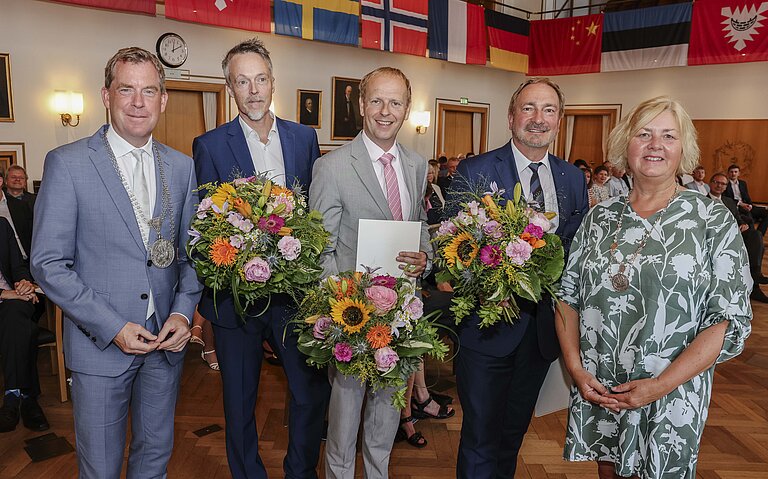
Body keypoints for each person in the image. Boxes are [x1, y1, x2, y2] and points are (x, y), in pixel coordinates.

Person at [555, 96, 752, 479]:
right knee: (608, 468)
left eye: (668, 136)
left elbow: (725, 320)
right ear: (625, 144)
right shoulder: (600, 217)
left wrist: (659, 386)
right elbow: (567, 297)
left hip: (673, 389)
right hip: (603, 384)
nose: (655, 145)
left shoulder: (711, 219)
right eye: (643, 134)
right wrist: (576, 369)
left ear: (683, 149)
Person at [30, 47, 202, 479]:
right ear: (106, 96)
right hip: (100, 348)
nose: (138, 102)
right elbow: (48, 264)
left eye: (149, 91)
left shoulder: (181, 168)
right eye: (126, 89)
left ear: (164, 99)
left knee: (154, 462)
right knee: (101, 469)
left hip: (165, 347)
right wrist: (113, 327)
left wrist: (183, 314)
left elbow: (191, 254)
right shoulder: (67, 164)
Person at [192, 38, 328, 479]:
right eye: (242, 81)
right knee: (240, 400)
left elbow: (313, 213)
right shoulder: (210, 145)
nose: (253, 90)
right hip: (236, 301)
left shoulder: (304, 138)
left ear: (273, 82)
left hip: (294, 297)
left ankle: (300, 471)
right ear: (230, 87)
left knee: (309, 395)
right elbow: (206, 223)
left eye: (261, 79)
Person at [448, 77, 588, 479]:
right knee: (479, 437)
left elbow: (573, 254)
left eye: (548, 110)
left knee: (512, 436)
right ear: (511, 117)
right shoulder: (475, 170)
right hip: (486, 330)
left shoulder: (573, 179)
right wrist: (491, 284)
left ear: (559, 121)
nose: (538, 119)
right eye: (528, 108)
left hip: (541, 334)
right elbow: (451, 247)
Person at [309, 66, 432, 479]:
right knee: (343, 426)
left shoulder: (416, 165)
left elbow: (420, 227)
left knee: (385, 420)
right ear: (361, 105)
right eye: (376, 100)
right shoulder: (333, 166)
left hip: (402, 320)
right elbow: (321, 249)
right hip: (353, 321)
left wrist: (425, 258)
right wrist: (340, 314)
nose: (385, 111)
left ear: (407, 108)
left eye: (395, 102)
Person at [0, 217, 47, 433]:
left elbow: (18, 265)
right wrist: (5, 294)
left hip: (14, 302)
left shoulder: (2, 225)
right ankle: (28, 397)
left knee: (17, 316)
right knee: (26, 328)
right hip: (5, 296)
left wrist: (23, 284)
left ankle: (12, 397)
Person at [708, 172, 768, 302]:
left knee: (755, 236)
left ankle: (755, 274)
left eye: (723, 184)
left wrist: (742, 224)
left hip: (735, 232)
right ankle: (754, 284)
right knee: (753, 246)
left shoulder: (729, 201)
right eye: (717, 182)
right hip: (717, 235)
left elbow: (738, 218)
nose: (719, 186)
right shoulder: (702, 201)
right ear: (710, 183)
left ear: (725, 187)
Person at [724, 163, 768, 236]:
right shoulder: (725, 184)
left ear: (739, 173)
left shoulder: (742, 183)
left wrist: (750, 205)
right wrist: (741, 204)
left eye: (735, 172)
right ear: (728, 173)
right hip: (736, 207)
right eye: (731, 172)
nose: (733, 174)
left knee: (766, 213)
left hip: (746, 206)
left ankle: (759, 234)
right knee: (748, 217)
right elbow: (727, 199)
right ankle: (753, 236)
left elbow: (747, 197)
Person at [0, 169, 32, 260]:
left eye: (21, 178)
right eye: (13, 177)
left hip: (25, 258)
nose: (17, 180)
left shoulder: (31, 202)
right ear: (5, 181)